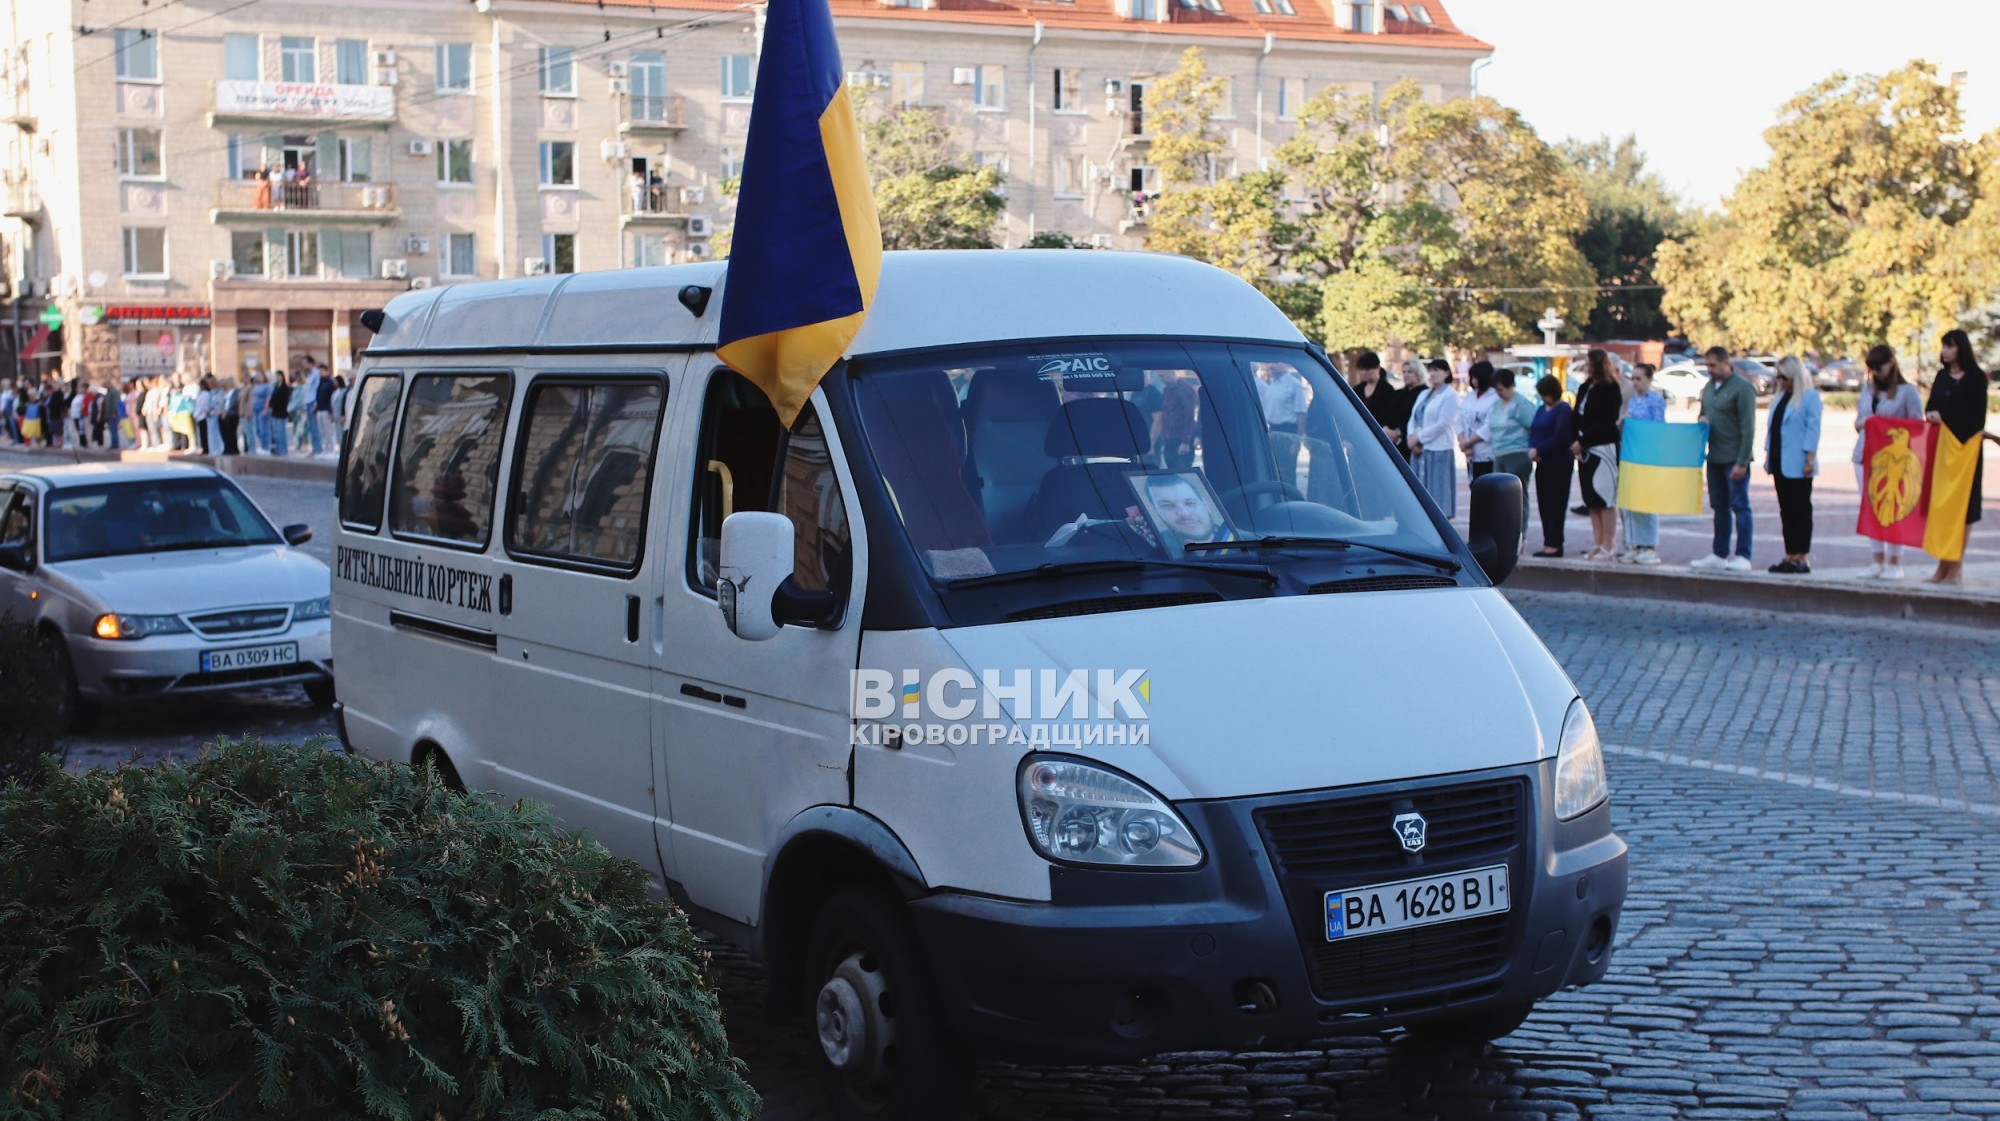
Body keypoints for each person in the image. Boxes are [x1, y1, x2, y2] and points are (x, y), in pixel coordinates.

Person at [1924, 329, 1989, 585]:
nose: (1946, 352)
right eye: (1944, 347)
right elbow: (1930, 406)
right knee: (1943, 506)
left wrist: (1947, 421)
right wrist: (1931, 415)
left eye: (1950, 346)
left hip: (1966, 453)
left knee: (1964, 509)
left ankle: (1956, 565)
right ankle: (1942, 564)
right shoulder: (1941, 377)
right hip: (1943, 452)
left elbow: (1976, 420)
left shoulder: (1976, 379)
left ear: (1960, 347)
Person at [1853, 344, 1923, 580]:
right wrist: (1865, 423)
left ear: (1891, 363)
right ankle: (1877, 560)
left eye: (1879, 367)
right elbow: (1858, 422)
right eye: (1871, 368)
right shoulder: (1867, 390)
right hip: (1865, 455)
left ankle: (1895, 562)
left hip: (1894, 458)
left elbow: (1917, 426)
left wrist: (1889, 426)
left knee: (1892, 507)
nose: (1876, 373)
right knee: (1872, 507)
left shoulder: (1907, 392)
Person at [1691, 346, 1756, 571]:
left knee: (1740, 505)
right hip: (1715, 455)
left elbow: (1748, 427)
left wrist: (1742, 461)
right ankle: (1719, 553)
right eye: (1707, 365)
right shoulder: (1708, 388)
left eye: (1713, 365)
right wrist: (1702, 421)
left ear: (1726, 362)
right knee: (1719, 506)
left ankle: (1743, 555)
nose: (1709, 369)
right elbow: (1702, 412)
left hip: (1734, 456)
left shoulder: (1742, 388)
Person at [1763, 356, 1821, 574]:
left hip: (1799, 462)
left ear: (1794, 376)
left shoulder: (1809, 397)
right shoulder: (1779, 398)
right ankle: (1789, 553)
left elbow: (1813, 429)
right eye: (1778, 377)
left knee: (1801, 510)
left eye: (1784, 377)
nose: (1781, 381)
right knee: (1786, 510)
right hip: (1780, 460)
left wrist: (1810, 458)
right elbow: (1773, 429)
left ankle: (1801, 556)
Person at [1571, 349, 1623, 561]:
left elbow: (1606, 421)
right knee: (1591, 499)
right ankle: (1597, 542)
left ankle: (1609, 545)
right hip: (1584, 449)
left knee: (1605, 498)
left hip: (1603, 447)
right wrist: (1575, 441)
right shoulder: (1585, 387)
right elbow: (1576, 416)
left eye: (1589, 363)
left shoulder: (1611, 388)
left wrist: (1582, 441)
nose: (1586, 366)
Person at [1616, 364, 1666, 566]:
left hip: (1647, 455)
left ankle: (1649, 545)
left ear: (1649, 379)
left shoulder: (1655, 400)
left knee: (1647, 502)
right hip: (1631, 454)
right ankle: (1633, 543)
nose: (1635, 383)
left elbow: (1659, 426)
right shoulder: (1632, 400)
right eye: (1633, 379)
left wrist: (1636, 422)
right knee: (1630, 502)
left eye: (1639, 379)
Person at [1527, 375, 1575, 557]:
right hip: (1543, 463)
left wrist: (1539, 450)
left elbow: (1560, 437)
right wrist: (1532, 448)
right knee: (1544, 503)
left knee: (1556, 504)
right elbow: (1533, 430)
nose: (1542, 398)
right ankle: (1547, 540)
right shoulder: (1541, 409)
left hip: (1559, 463)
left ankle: (1555, 543)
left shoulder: (1563, 410)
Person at [1407, 359, 1460, 518]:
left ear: (1446, 373)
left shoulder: (1450, 394)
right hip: (1419, 451)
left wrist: (1419, 438)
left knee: (1438, 492)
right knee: (1420, 493)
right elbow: (1414, 417)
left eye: (1437, 370)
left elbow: (1443, 423)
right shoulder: (1424, 394)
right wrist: (1412, 438)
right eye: (1431, 370)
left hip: (1438, 448)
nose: (1433, 374)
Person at [1488, 368, 1537, 531]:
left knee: (1516, 497)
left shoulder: (1521, 404)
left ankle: (1520, 532)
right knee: (1499, 496)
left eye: (1501, 389)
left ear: (1511, 386)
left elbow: (1532, 427)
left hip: (1517, 453)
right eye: (1496, 389)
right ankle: (1503, 531)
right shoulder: (1497, 404)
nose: (1498, 393)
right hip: (1499, 453)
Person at [1351, 351, 1409, 457]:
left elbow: (1389, 415)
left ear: (1377, 368)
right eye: (1362, 369)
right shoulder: (1357, 389)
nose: (1364, 372)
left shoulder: (1387, 389)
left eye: (1368, 369)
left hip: (1377, 438)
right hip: (1358, 437)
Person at [1257, 362, 1306, 488]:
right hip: (1273, 431)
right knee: (1275, 472)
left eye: (1276, 363)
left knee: (1287, 474)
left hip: (1288, 432)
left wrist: (1297, 441)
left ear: (1284, 365)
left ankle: (1291, 503)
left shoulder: (1294, 384)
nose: (1272, 366)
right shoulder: (1272, 384)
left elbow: (1301, 413)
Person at [1456, 361, 1498, 480]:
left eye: (1476, 378)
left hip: (1486, 453)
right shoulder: (1469, 396)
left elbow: (1489, 426)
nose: (1473, 381)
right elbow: (1459, 420)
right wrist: (1462, 440)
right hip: (1470, 453)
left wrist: (1469, 442)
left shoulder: (1494, 397)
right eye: (1472, 378)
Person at [1157, 371, 1197, 471]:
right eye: (1159, 376)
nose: (1160, 379)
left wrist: (1186, 442)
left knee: (1182, 472)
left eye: (1162, 375)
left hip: (1181, 439)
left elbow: (1190, 416)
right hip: (1169, 439)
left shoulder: (1184, 390)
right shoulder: (1167, 390)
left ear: (1171, 373)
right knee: (1171, 471)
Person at [266, 369, 292, 457]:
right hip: (275, 412)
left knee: (281, 432)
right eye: (276, 376)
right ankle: (278, 448)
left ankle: (283, 449)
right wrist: (270, 406)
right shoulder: (275, 387)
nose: (277, 378)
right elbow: (272, 398)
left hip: (281, 412)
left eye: (279, 376)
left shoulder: (284, 388)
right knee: (276, 432)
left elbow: (284, 400)